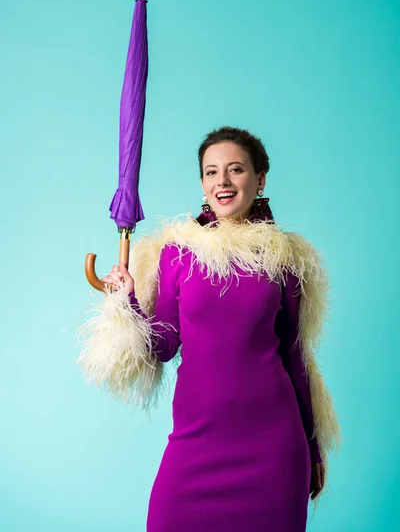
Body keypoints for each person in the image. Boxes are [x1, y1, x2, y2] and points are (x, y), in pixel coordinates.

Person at [78, 126, 340, 532]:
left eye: (236, 170)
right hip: (196, 444)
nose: (223, 181)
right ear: (202, 183)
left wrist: (314, 448)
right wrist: (128, 299)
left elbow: (294, 355)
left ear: (260, 179)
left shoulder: (284, 258)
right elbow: (163, 346)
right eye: (211, 171)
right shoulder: (177, 252)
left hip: (273, 449)